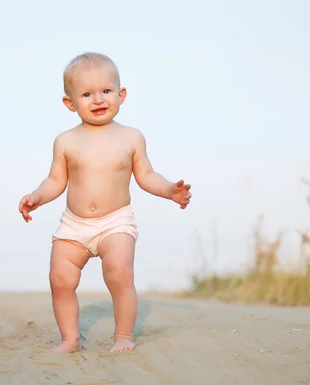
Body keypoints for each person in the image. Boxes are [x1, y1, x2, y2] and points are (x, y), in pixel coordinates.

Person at [18, 52, 192, 353]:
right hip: (74, 224)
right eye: (87, 94)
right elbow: (56, 181)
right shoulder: (65, 141)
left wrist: (169, 190)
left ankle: (123, 336)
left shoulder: (131, 137)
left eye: (106, 91)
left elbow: (147, 175)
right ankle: (70, 339)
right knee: (60, 278)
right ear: (70, 103)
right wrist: (37, 196)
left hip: (115, 222)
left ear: (121, 95)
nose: (98, 99)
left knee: (119, 273)